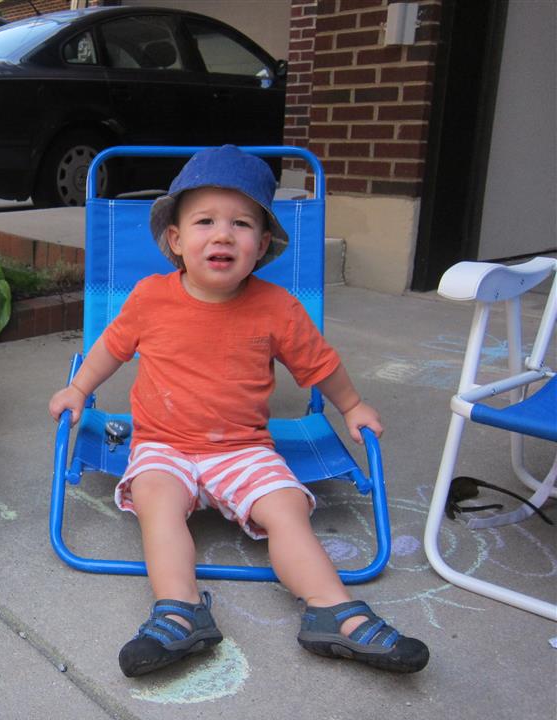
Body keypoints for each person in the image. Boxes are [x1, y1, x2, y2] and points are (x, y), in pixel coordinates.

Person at [48, 145, 429, 676]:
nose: (223, 235)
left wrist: (352, 405)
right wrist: (78, 388)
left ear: (262, 244)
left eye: (242, 224)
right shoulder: (150, 297)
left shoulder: (277, 308)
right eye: (205, 221)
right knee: (156, 499)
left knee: (286, 507)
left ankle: (331, 610)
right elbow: (111, 347)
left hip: (243, 448)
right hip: (163, 444)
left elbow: (320, 364)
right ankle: (180, 611)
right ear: (176, 240)